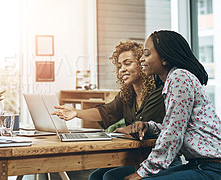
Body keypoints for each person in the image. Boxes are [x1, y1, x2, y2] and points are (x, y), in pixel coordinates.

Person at [52, 40, 167, 180]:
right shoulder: (127, 95)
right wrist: (76, 113)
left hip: (157, 158)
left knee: (109, 177)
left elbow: (140, 127)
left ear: (141, 63)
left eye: (127, 63)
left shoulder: (158, 93)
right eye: (119, 66)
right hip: (135, 156)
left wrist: (127, 129)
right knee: (95, 176)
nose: (122, 69)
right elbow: (106, 111)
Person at [124, 30, 221, 180]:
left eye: (147, 54)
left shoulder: (179, 77)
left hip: (213, 167)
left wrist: (142, 172)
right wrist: (149, 127)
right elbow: (177, 126)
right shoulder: (172, 81)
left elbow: (173, 133)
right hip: (200, 164)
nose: (141, 59)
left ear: (165, 59)